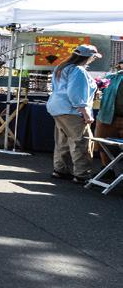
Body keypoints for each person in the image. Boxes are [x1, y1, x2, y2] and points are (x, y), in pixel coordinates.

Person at [46, 45, 101, 184]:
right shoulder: (78, 70)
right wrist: (85, 113)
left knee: (62, 141)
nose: (94, 59)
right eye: (94, 57)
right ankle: (82, 175)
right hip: (71, 110)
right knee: (82, 142)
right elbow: (75, 93)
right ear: (89, 57)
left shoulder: (62, 67)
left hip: (57, 107)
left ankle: (60, 170)